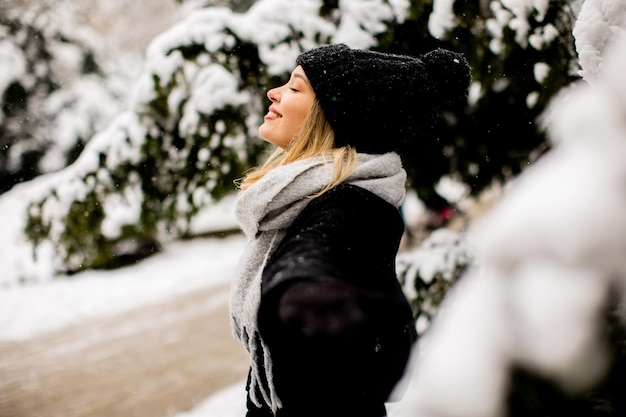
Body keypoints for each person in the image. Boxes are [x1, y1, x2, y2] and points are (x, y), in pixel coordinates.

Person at [229, 43, 471, 417]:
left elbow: (318, 251)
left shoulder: (352, 206)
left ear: (334, 117)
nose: (273, 93)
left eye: (295, 88)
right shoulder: (306, 196)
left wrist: (302, 290)